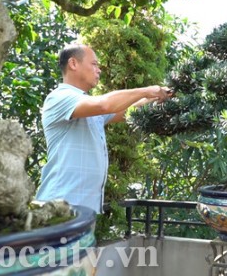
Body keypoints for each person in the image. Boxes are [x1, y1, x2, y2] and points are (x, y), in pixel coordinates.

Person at [35, 43, 172, 213]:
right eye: (94, 64)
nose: (99, 70)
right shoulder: (60, 97)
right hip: (59, 206)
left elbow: (126, 111)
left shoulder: (86, 104)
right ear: (73, 64)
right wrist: (147, 90)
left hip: (81, 209)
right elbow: (105, 105)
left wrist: (159, 98)